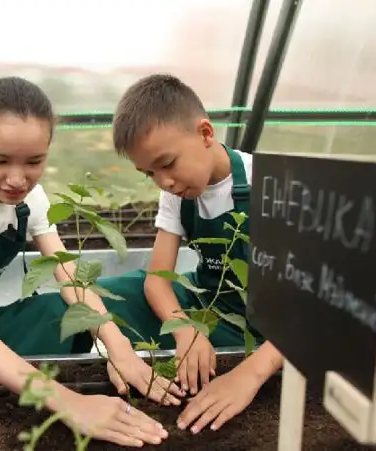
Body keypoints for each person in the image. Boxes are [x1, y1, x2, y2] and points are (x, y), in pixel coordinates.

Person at [0, 76, 183, 447]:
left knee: (79, 307)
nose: (16, 178)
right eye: (0, 160)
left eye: (34, 162)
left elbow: (68, 276)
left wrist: (118, 347)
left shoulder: (33, 200)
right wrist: (70, 404)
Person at [98, 74, 285, 434]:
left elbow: (313, 310)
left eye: (167, 164)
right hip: (208, 310)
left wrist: (249, 375)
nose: (163, 182)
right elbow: (157, 282)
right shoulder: (176, 194)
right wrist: (186, 329)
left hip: (265, 330)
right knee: (112, 293)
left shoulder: (271, 184)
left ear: (205, 133)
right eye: (149, 173)